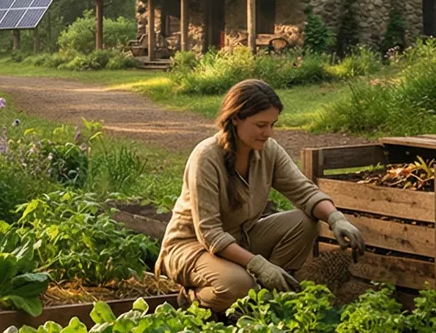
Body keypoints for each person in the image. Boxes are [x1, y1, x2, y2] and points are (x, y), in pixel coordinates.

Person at [156, 78, 366, 313]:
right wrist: (259, 265)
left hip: (240, 240)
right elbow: (210, 234)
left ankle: (265, 297)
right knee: (238, 286)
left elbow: (304, 191)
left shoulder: (268, 151)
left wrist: (336, 219)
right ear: (236, 118)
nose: (268, 133)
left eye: (272, 124)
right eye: (260, 125)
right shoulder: (206, 157)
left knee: (305, 222)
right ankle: (193, 298)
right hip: (191, 247)